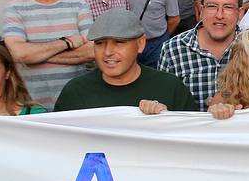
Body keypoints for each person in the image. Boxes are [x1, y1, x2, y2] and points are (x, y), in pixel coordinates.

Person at [1, 0, 94, 110]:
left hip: (76, 103)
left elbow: (91, 51)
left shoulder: (79, 5)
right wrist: (66, 43)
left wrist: (36, 55)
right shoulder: (14, 9)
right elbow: (18, 53)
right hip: (32, 106)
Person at [54, 9, 198, 114]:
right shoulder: (75, 92)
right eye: (100, 43)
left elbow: (193, 140)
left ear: (140, 44)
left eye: (119, 42)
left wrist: (169, 120)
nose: (108, 52)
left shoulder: (170, 88)